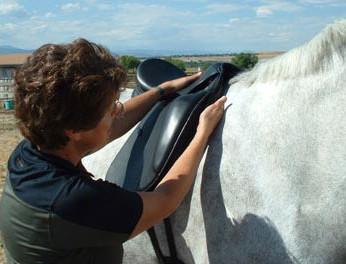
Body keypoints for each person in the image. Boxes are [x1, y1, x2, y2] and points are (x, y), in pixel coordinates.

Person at [0, 38, 227, 263]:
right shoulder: (73, 201)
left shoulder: (31, 150)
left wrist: (161, 90)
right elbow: (165, 200)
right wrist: (201, 133)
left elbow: (113, 124)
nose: (118, 111)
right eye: (110, 109)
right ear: (74, 130)